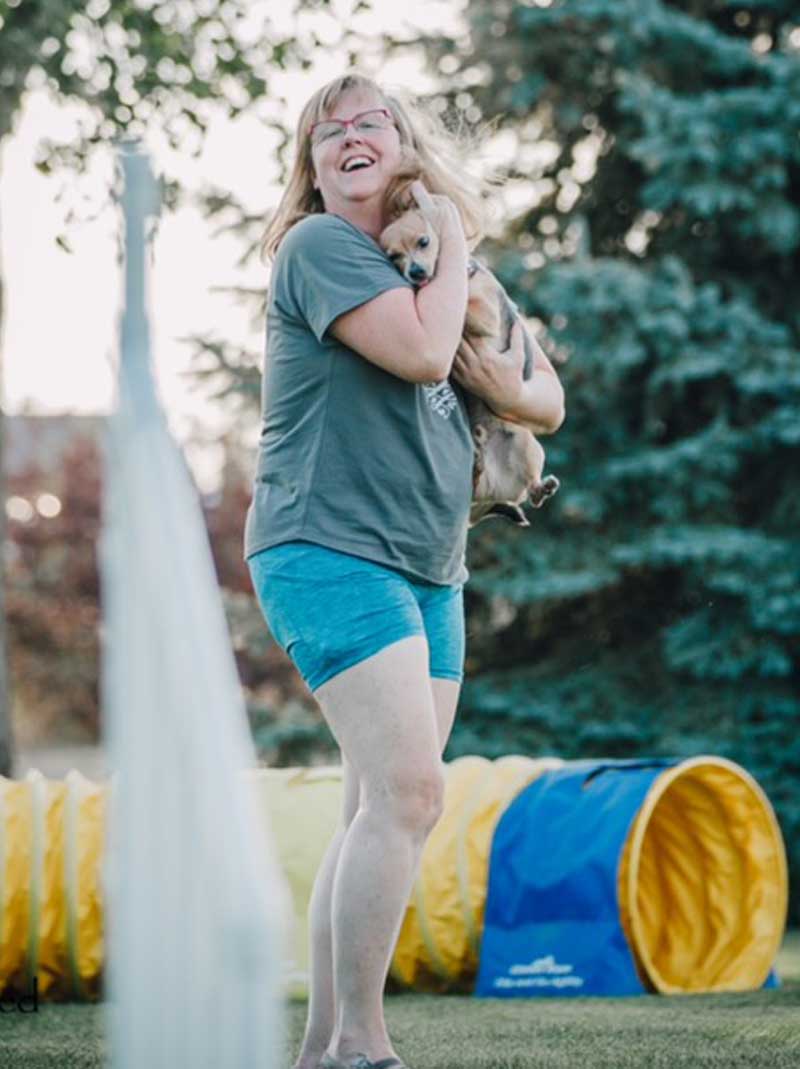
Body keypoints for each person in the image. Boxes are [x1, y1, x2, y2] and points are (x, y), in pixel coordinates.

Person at [244, 72, 565, 1069]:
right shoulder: (321, 248)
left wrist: (463, 286)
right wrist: (455, 259)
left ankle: (314, 1049)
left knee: (377, 805)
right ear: (311, 166)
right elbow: (426, 356)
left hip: (431, 562)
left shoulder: (446, 268)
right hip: (325, 545)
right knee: (407, 795)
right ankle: (360, 1045)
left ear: (402, 142)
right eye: (325, 131)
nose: (347, 136)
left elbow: (544, 401)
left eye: (367, 121)